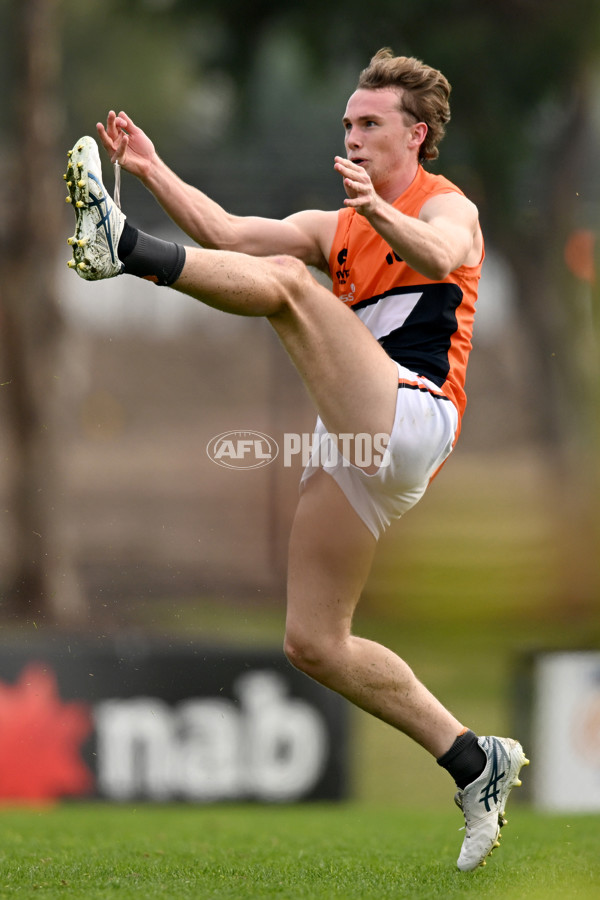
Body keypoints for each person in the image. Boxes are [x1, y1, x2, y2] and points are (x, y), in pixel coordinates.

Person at [64, 48, 528, 870]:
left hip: (415, 417)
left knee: (286, 283)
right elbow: (226, 233)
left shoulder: (447, 207)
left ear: (416, 135)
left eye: (370, 124)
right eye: (347, 122)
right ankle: (473, 761)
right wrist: (154, 167)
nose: (351, 135)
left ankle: (123, 248)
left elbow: (434, 253)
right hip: (354, 437)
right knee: (314, 641)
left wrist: (379, 215)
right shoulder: (337, 223)